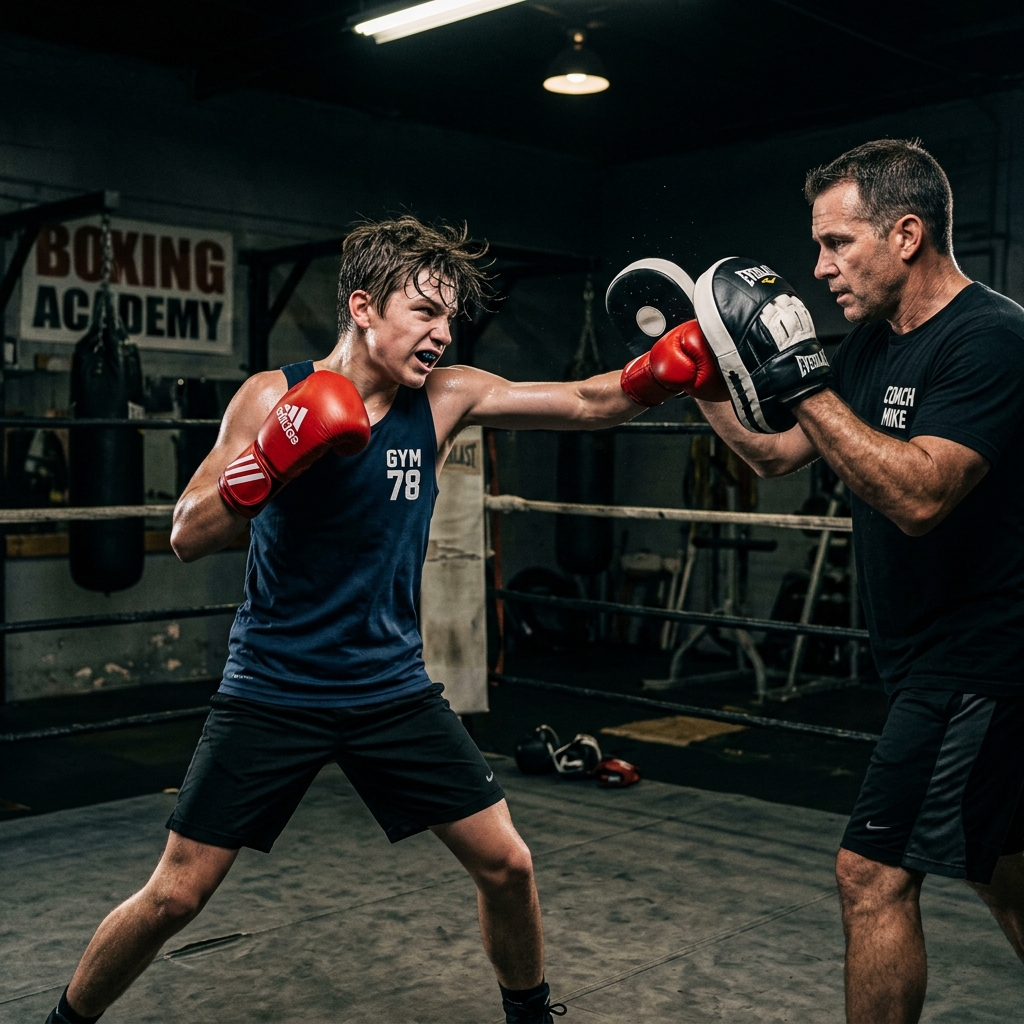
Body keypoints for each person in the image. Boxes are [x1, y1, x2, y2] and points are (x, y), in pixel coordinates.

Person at [46, 215, 709, 1024]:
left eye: (450, 318)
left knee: (507, 865)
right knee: (176, 895)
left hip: (389, 689)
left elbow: (582, 401)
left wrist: (656, 373)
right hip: (274, 688)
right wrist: (273, 460)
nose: (442, 333)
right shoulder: (272, 393)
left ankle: (530, 1017)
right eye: (425, 313)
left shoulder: (446, 396)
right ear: (363, 306)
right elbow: (187, 533)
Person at [684, 139, 1024, 1023]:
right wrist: (702, 378)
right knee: (1005, 871)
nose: (818, 266)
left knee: (869, 875)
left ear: (906, 233)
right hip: (922, 656)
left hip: (984, 656)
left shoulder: (992, 338)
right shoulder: (871, 346)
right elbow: (778, 455)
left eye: (838, 243)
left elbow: (919, 496)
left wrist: (803, 380)